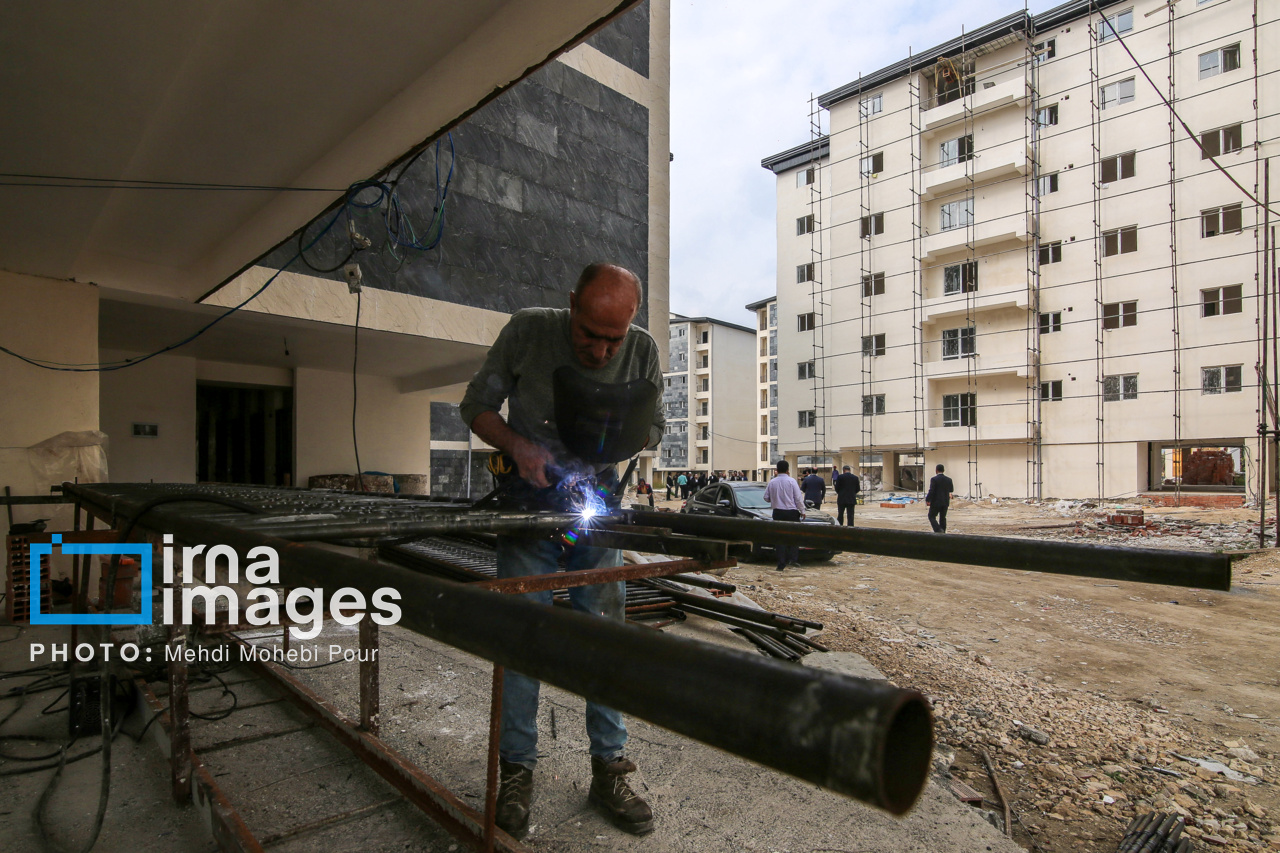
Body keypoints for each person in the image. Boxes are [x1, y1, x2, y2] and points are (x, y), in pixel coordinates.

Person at [460, 262, 660, 839]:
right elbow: (474, 406)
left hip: (593, 508)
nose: (600, 352)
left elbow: (656, 427)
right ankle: (517, 771)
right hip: (529, 504)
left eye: (613, 340)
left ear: (630, 324)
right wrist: (519, 447)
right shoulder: (528, 330)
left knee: (604, 636)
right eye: (589, 336)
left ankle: (609, 768)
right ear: (571, 304)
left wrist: (621, 437)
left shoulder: (642, 350)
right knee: (524, 637)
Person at [762, 459, 805, 571]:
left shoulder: (772, 482)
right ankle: (793, 559)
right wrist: (802, 511)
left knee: (779, 538)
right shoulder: (792, 481)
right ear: (787, 470)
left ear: (777, 470)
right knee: (794, 536)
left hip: (778, 512)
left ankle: (781, 563)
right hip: (791, 512)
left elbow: (766, 497)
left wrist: (775, 499)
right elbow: (798, 498)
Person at [925, 463, 955, 534]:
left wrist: (928, 499)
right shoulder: (949, 480)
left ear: (936, 470)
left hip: (936, 502)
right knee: (943, 518)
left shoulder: (934, 479)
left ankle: (938, 529)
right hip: (945, 501)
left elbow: (932, 490)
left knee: (931, 516)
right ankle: (943, 532)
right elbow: (951, 489)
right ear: (943, 470)